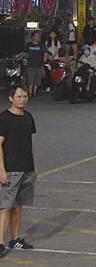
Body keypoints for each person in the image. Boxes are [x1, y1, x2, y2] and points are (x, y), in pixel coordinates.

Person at [0, 85, 36, 258]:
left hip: (26, 168)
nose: (23, 99)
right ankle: (0, 242)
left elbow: (28, 144)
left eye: (25, 96)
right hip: (11, 169)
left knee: (18, 206)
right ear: (11, 98)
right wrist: (2, 170)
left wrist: (33, 168)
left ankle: (15, 239)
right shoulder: (4, 118)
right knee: (5, 207)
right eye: (19, 96)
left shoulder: (28, 117)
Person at [16, 32, 48, 97]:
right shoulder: (29, 45)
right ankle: (30, 93)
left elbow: (45, 52)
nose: (38, 37)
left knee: (37, 80)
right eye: (36, 36)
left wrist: (45, 58)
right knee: (30, 79)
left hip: (39, 64)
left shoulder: (42, 45)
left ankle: (34, 92)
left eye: (38, 36)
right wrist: (19, 55)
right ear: (32, 37)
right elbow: (24, 52)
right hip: (30, 64)